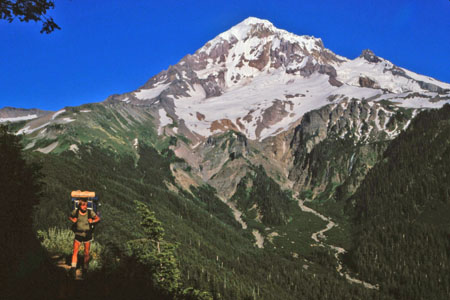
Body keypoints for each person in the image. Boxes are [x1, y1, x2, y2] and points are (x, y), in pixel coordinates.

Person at [68, 198, 100, 278]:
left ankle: (85, 269)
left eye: (86, 205)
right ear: (80, 206)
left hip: (87, 234)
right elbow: (70, 217)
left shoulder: (90, 212)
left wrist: (92, 221)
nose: (85, 207)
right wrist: (73, 220)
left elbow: (98, 218)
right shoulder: (76, 212)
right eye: (83, 205)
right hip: (78, 234)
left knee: (86, 253)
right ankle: (73, 268)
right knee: (75, 251)